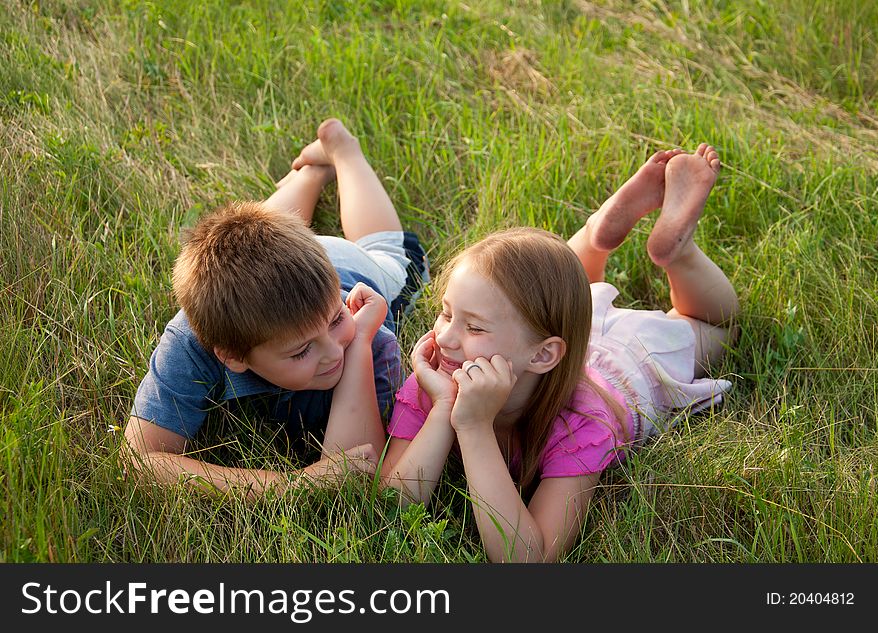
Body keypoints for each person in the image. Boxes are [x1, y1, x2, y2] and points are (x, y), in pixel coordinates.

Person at [380, 144, 739, 562]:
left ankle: (678, 253)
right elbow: (393, 506)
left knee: (717, 327)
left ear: (542, 356)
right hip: (559, 339)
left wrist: (475, 428)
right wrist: (443, 407)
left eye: (474, 326)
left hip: (632, 358)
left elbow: (529, 559)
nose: (446, 338)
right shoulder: (439, 375)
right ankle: (597, 233)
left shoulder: (580, 422)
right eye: (446, 314)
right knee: (545, 299)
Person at [123, 118, 429, 499]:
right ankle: (311, 174)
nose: (336, 351)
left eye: (336, 322)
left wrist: (360, 343)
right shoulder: (192, 342)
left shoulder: (366, 331)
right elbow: (140, 459)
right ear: (231, 357)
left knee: (387, 250)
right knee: (255, 233)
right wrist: (290, 486)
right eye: (301, 350)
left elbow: (356, 468)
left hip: (354, 268)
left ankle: (344, 152)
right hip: (303, 287)